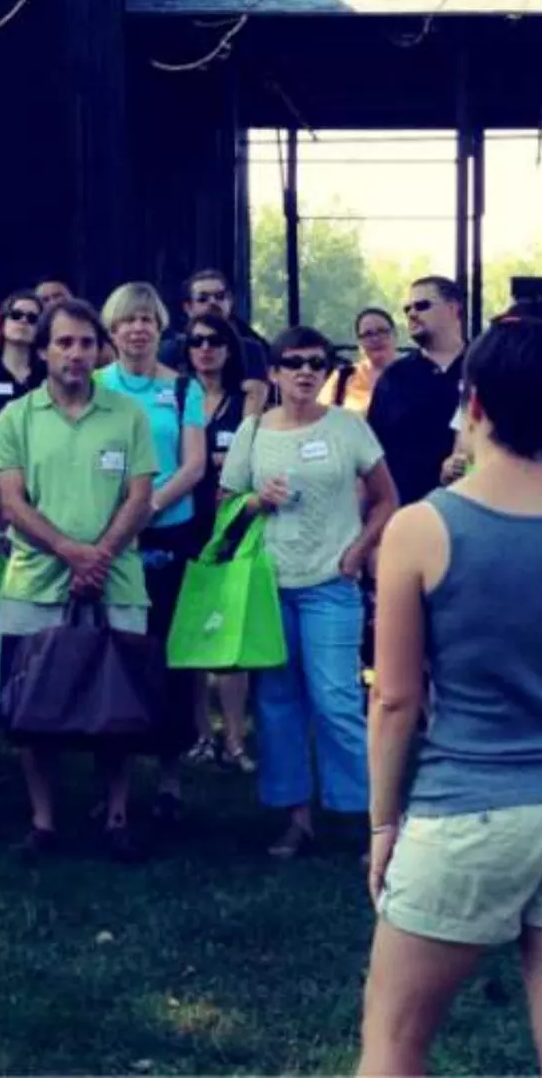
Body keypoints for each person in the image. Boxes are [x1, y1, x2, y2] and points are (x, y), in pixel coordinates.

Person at [358, 319, 542, 1077]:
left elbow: (395, 700)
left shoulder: (420, 528)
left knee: (393, 1042)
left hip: (468, 810)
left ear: (475, 403)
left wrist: (382, 824)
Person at [0, 298, 158, 861]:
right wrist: (71, 553)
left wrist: (99, 557)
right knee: (33, 705)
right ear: (42, 351)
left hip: (118, 581)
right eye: (64, 342)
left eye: (86, 343)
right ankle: (43, 821)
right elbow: (12, 501)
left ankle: (116, 815)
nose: (76, 353)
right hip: (35, 582)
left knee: (119, 701)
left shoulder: (128, 415)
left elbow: (140, 496)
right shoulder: (16, 417)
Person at [223, 326, 397, 858]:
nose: (305, 372)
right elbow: (225, 503)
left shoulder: (349, 427)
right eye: (294, 362)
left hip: (331, 584)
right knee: (277, 704)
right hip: (269, 586)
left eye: (316, 364)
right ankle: (296, 818)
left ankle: (370, 819)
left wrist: (359, 551)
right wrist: (258, 500)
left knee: (337, 701)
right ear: (274, 372)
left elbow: (388, 499)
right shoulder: (253, 430)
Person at [98, 282, 208, 821]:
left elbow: (194, 464)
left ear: (161, 328)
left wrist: (149, 506)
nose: (137, 329)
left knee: (169, 658)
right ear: (112, 330)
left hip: (168, 536)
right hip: (108, 538)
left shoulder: (184, 388)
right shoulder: (95, 385)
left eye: (147, 319)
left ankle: (169, 777)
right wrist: (120, 519)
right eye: (128, 320)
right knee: (112, 656)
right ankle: (111, 782)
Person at [184, 308, 260, 773]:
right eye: (197, 341)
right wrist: (212, 458)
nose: (206, 349)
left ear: (230, 349)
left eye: (215, 340)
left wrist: (209, 459)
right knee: (191, 632)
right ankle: (200, 735)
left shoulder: (245, 398)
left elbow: (247, 458)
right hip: (186, 522)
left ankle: (234, 739)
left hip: (231, 526)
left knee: (230, 637)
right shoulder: (180, 395)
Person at [367, 276, 468, 507]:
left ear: (453, 309)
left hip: (472, 510)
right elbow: (372, 454)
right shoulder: (394, 378)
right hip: (407, 512)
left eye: (422, 305)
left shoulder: (484, 367)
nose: (412, 314)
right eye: (407, 309)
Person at [160, 268, 269, 377]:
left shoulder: (251, 350)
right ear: (188, 307)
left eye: (220, 296)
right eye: (202, 298)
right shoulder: (170, 351)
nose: (212, 302)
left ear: (230, 302)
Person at [0, 290, 46, 411]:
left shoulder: (48, 375)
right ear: (2, 324)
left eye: (32, 318)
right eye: (16, 315)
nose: (23, 321)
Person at [324, 308, 399, 414]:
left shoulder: (414, 374)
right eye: (367, 334)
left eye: (382, 331)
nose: (375, 339)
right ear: (359, 342)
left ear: (395, 335)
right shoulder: (342, 378)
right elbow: (321, 418)